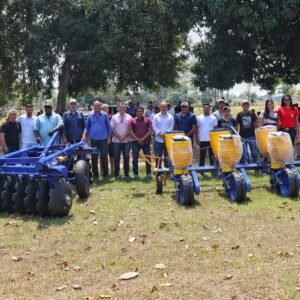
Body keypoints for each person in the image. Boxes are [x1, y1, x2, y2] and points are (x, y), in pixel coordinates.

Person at [83, 100, 112, 178]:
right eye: (95, 105)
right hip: (94, 140)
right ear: (93, 106)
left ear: (100, 107)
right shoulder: (90, 115)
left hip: (103, 140)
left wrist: (109, 138)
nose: (96, 107)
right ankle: (95, 174)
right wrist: (84, 135)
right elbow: (87, 127)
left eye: (98, 106)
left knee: (104, 157)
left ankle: (105, 174)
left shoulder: (105, 115)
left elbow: (109, 127)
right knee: (94, 158)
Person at [130, 107, 152, 177]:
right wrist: (137, 139)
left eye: (141, 111)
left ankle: (148, 173)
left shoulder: (147, 120)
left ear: (143, 112)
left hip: (146, 142)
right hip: (135, 143)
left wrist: (142, 139)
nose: (139, 113)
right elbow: (131, 131)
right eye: (138, 111)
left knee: (147, 157)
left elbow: (150, 131)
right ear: (136, 112)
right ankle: (135, 173)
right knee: (135, 158)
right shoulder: (132, 120)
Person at [111, 103, 132, 177]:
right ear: (118, 108)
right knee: (116, 157)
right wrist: (119, 136)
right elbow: (112, 128)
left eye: (123, 107)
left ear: (126, 108)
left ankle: (126, 173)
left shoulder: (129, 117)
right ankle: (116, 173)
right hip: (116, 141)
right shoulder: (114, 117)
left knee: (126, 157)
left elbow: (130, 129)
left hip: (127, 140)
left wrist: (124, 136)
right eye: (121, 107)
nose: (122, 109)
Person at [152, 102, 175, 168]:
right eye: (162, 107)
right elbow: (154, 126)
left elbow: (171, 127)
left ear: (167, 108)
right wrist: (159, 133)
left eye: (165, 107)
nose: (163, 108)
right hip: (158, 139)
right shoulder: (155, 116)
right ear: (160, 107)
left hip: (167, 139)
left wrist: (165, 134)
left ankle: (167, 170)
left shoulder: (171, 117)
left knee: (167, 156)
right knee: (158, 155)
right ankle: (158, 171)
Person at [236, 99, 258, 163]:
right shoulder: (239, 114)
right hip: (242, 136)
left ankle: (256, 166)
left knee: (254, 152)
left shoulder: (252, 114)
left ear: (249, 105)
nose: (245, 105)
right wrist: (237, 135)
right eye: (244, 104)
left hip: (252, 136)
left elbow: (255, 124)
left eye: (247, 104)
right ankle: (245, 166)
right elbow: (237, 125)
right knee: (244, 153)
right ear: (242, 105)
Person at [101, 103, 114, 175]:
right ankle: (101, 170)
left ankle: (112, 169)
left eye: (107, 108)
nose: (106, 110)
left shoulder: (112, 117)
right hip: (102, 139)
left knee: (112, 155)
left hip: (111, 138)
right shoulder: (100, 116)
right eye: (104, 109)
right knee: (102, 156)